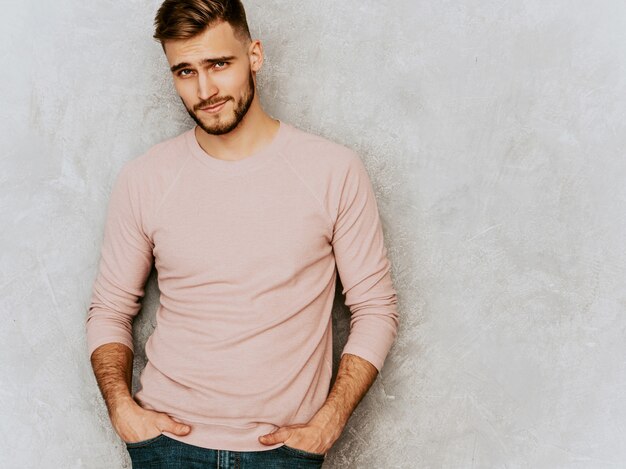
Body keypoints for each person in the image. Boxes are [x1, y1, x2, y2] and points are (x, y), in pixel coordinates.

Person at [85, 0, 399, 467]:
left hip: (285, 452)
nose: (205, 89)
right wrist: (123, 411)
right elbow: (110, 309)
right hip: (166, 448)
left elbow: (376, 308)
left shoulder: (333, 170)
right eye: (185, 71)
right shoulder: (145, 178)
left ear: (254, 55)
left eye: (218, 63)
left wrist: (328, 423)